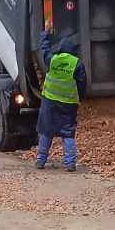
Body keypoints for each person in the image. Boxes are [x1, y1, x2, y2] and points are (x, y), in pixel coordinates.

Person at [36, 23, 87, 172]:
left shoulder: (52, 60)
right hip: (68, 104)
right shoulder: (76, 63)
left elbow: (44, 49)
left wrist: (46, 33)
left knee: (46, 131)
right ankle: (70, 163)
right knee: (68, 133)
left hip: (49, 103)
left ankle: (40, 160)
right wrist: (80, 98)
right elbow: (82, 83)